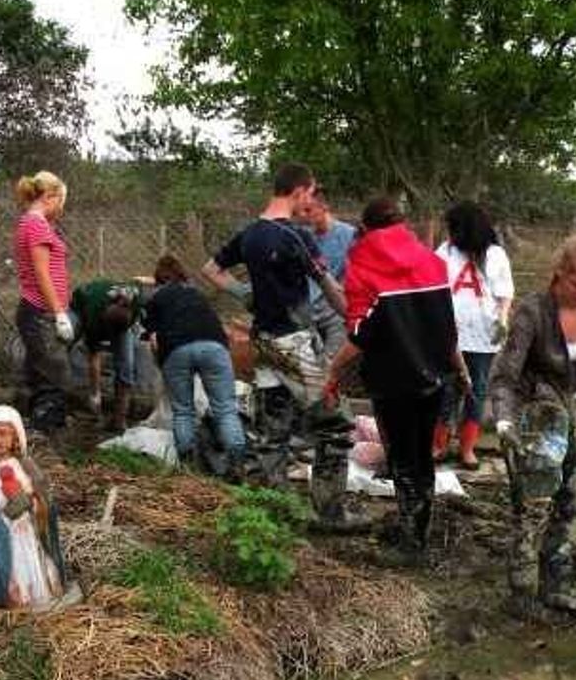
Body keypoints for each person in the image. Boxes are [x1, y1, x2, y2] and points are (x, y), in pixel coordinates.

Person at [200, 163, 351, 521]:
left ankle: (277, 512)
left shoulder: (249, 234)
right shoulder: (296, 236)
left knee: (273, 429)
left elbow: (210, 269)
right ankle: (331, 513)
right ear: (299, 191)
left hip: (265, 342)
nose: (310, 202)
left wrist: (244, 294)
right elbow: (329, 287)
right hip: (296, 344)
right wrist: (357, 318)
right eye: (310, 194)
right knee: (336, 425)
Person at [490, 230, 576, 612]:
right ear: (560, 272)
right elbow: (504, 377)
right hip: (529, 414)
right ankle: (521, 592)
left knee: (568, 498)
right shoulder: (533, 312)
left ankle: (555, 580)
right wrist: (504, 423)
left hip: (565, 414)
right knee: (531, 504)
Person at [324, 197, 465, 562]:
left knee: (402, 460)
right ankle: (418, 530)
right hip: (434, 378)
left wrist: (333, 372)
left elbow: (359, 336)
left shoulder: (365, 268)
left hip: (392, 382)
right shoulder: (433, 263)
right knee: (422, 457)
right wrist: (461, 371)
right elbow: (448, 329)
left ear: (366, 229)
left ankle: (410, 544)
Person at [144, 254, 246, 475]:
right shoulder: (195, 293)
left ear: (158, 279)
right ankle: (237, 464)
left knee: (183, 411)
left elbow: (153, 339)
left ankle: (188, 467)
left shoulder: (155, 299)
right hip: (213, 346)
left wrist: (162, 366)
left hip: (176, 350)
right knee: (225, 408)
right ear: (182, 275)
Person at [434, 201, 514, 469]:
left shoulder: (495, 255)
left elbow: (504, 294)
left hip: (482, 338)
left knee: (476, 390)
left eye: (452, 228)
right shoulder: (445, 252)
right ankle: (439, 444)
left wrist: (503, 320)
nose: (448, 233)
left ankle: (467, 447)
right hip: (449, 335)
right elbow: (433, 287)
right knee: (446, 389)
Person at [0, 404, 76, 610]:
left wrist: (33, 503)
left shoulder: (26, 465)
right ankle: (17, 600)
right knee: (16, 567)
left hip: (29, 528)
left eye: (3, 434)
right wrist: (2, 518)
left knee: (36, 559)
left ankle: (45, 594)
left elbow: (43, 496)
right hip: (6, 533)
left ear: (15, 436)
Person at [13, 171, 73, 435]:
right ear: (50, 197)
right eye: (61, 202)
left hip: (39, 312)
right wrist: (59, 313)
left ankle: (41, 432)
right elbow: (42, 273)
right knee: (52, 377)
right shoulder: (36, 224)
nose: (61, 209)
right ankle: (48, 435)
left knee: (43, 374)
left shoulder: (34, 223)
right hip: (41, 313)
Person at [69, 277, 142, 432]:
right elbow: (94, 355)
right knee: (66, 338)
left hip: (118, 318)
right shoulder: (93, 313)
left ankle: (119, 419)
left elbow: (140, 281)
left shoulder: (136, 303)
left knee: (126, 365)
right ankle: (64, 398)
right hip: (79, 306)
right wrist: (95, 393)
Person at [298, 187, 357, 357]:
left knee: (331, 363)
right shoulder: (304, 237)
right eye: (302, 211)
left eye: (309, 210)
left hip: (335, 313)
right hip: (308, 312)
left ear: (324, 206)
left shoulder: (349, 236)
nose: (305, 216)